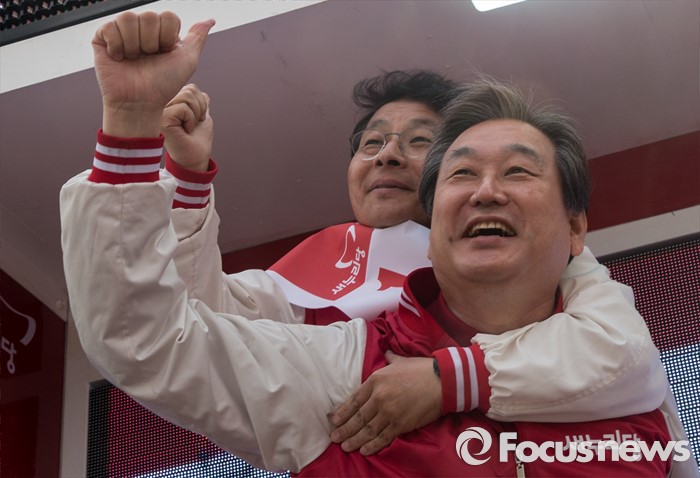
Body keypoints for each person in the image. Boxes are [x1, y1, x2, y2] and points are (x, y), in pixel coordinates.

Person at [60, 11, 697, 475]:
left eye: (518, 173)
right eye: (463, 173)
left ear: (577, 229)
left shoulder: (616, 363)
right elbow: (161, 331)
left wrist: (449, 379)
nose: (486, 192)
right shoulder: (340, 367)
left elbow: (622, 351)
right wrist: (141, 137)